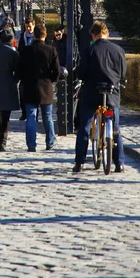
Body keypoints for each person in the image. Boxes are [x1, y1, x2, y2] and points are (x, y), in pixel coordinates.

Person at [73, 21, 127, 173]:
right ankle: (119, 162)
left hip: (92, 93)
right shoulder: (118, 50)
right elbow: (122, 74)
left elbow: (81, 73)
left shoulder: (89, 50)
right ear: (107, 33)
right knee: (115, 128)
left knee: (84, 127)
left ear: (93, 34)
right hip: (112, 93)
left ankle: (79, 162)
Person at [18, 24, 60, 152]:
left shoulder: (26, 50)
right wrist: (51, 80)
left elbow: (19, 71)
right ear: (45, 35)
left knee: (31, 116)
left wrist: (24, 80)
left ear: (34, 35)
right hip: (46, 87)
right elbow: (57, 71)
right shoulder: (51, 50)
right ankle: (50, 142)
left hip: (30, 86)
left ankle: (31, 145)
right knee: (47, 116)